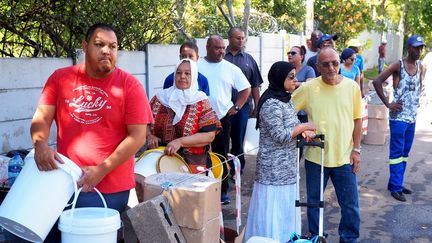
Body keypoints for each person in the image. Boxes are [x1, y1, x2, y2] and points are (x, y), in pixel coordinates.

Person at [30, 23, 153, 242]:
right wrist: (40, 144)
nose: (107, 50)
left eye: (113, 46)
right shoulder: (60, 78)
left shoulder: (130, 86)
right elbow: (42, 117)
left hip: (109, 187)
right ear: (85, 47)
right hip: (62, 183)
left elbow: (137, 137)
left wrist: (101, 170)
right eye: (99, 44)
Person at [293, 47, 362, 243]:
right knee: (314, 203)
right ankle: (316, 237)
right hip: (316, 157)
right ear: (317, 66)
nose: (331, 68)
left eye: (335, 63)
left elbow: (358, 121)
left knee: (350, 205)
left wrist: (357, 151)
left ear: (340, 63)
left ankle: (349, 239)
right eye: (325, 64)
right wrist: (302, 128)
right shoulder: (308, 88)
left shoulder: (352, 87)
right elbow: (287, 111)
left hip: (345, 157)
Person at [245, 62, 316, 242]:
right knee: (272, 212)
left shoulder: (285, 99)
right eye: (290, 77)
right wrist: (304, 126)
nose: (295, 81)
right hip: (273, 171)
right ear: (279, 79)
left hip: (287, 168)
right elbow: (280, 135)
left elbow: (290, 126)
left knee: (284, 211)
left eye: (295, 76)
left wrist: (303, 131)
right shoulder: (270, 103)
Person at [198, 35, 251, 204]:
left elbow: (246, 88)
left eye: (222, 48)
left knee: (221, 155)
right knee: (199, 155)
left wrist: (236, 107)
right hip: (199, 119)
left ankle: (222, 191)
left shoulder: (230, 68)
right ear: (207, 47)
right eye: (217, 47)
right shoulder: (196, 66)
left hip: (222, 119)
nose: (221, 51)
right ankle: (201, 190)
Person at [372, 35, 425, 202]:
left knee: (404, 153)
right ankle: (395, 187)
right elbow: (377, 81)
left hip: (411, 118)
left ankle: (396, 182)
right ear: (408, 48)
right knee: (396, 153)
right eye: (416, 47)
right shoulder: (398, 65)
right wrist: (388, 103)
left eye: (421, 47)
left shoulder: (420, 67)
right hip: (398, 118)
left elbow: (418, 89)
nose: (419, 50)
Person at [146, 59, 221, 173]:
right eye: (179, 72)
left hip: (191, 161)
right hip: (158, 158)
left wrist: (180, 142)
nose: (182, 76)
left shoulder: (201, 100)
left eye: (187, 73)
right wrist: (149, 136)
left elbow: (209, 135)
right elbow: (143, 122)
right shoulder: (159, 98)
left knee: (186, 190)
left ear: (194, 76)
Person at [225, 27, 263, 175]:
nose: (241, 41)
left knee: (238, 140)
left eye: (243, 38)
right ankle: (222, 171)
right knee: (220, 140)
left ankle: (236, 172)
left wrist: (258, 106)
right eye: (237, 38)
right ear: (229, 38)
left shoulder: (249, 60)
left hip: (242, 108)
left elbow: (255, 85)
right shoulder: (222, 58)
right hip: (222, 108)